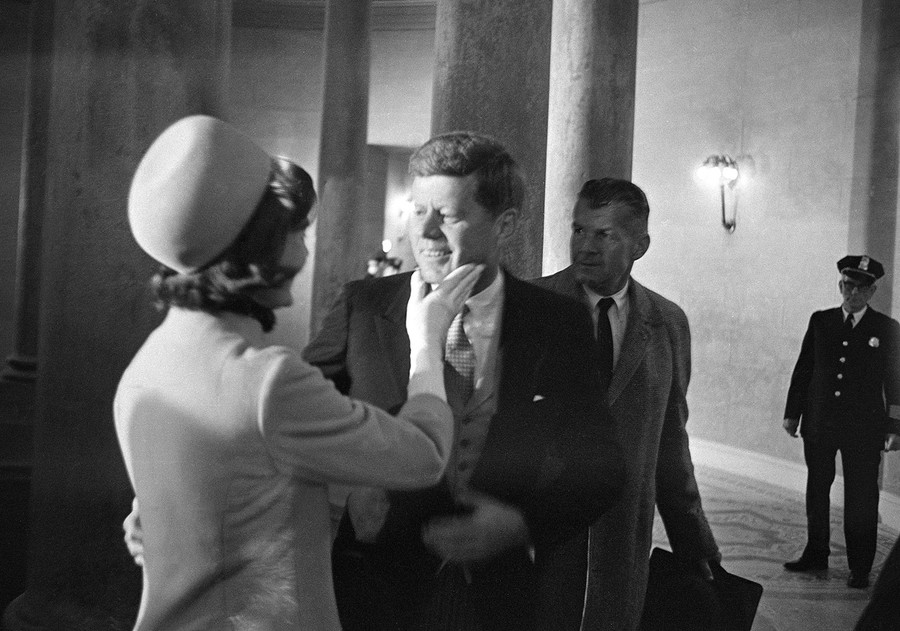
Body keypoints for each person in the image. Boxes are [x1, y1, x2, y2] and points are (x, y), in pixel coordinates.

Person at [116, 115, 484, 631]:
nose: (306, 250)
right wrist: (426, 343)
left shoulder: (147, 364)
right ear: (261, 245)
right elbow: (423, 457)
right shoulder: (266, 382)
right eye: (298, 231)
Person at [304, 131, 624, 630]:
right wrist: (350, 485)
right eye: (418, 210)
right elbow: (293, 423)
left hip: (497, 595)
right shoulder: (364, 307)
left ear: (505, 224)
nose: (426, 231)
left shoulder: (556, 322)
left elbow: (602, 466)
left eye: (448, 215)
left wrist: (521, 524)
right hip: (375, 584)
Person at [532, 177, 720, 631]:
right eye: (579, 230)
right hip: (538, 534)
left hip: (620, 541)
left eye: (605, 234)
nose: (586, 246)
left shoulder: (666, 323)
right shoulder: (530, 306)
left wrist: (692, 538)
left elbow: (670, 442)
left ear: (640, 245)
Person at [782, 255, 900, 589]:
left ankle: (860, 567)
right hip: (819, 421)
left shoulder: (886, 329)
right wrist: (792, 413)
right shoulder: (821, 321)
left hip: (863, 429)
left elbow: (895, 381)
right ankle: (816, 553)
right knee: (817, 489)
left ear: (872, 291)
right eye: (848, 286)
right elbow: (804, 369)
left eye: (861, 288)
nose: (853, 293)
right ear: (840, 286)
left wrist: (895, 426)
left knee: (862, 497)